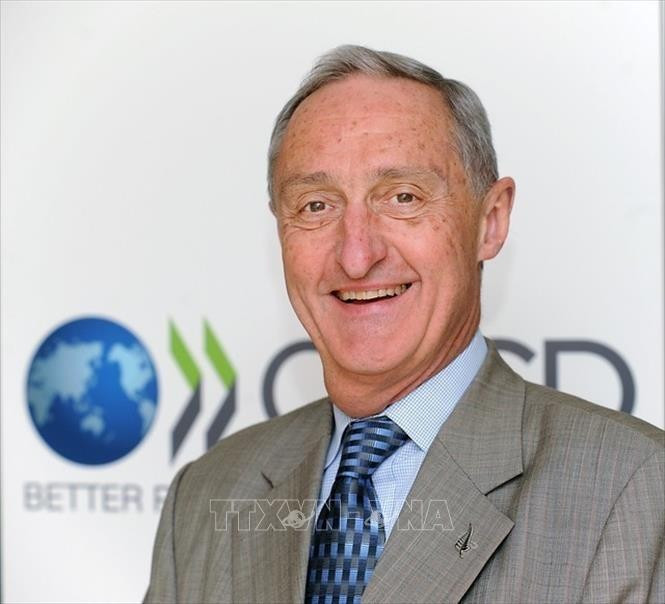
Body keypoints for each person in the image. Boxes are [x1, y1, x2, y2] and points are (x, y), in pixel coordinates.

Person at [145, 45, 664, 604]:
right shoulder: (207, 495)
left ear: (490, 221)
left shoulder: (634, 490)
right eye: (316, 205)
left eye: (402, 197)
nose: (356, 256)